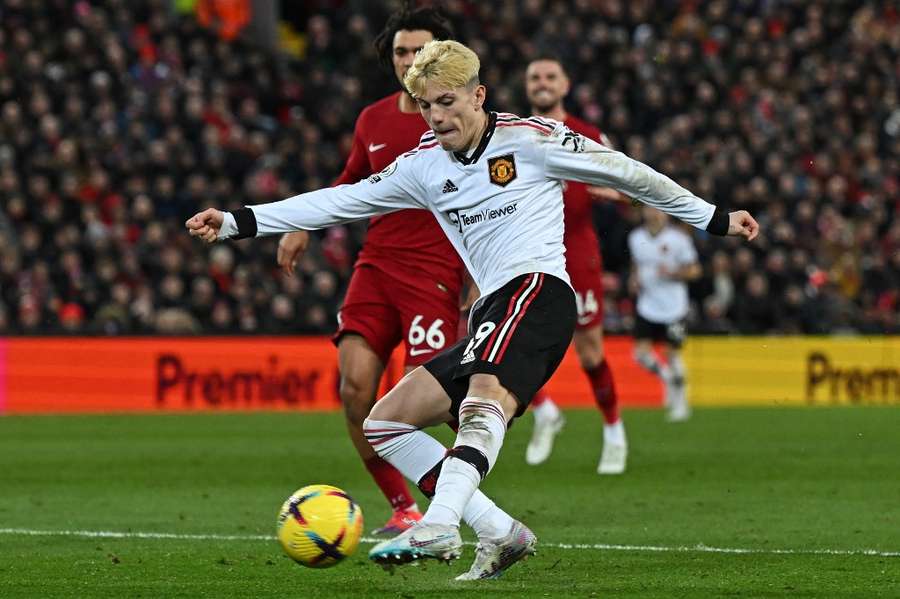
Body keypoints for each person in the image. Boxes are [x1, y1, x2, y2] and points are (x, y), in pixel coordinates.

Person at [186, 40, 759, 580]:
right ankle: (499, 529)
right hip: (493, 307)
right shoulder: (423, 165)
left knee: (482, 401)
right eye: (427, 106)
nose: (436, 117)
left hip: (538, 292)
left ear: (478, 95)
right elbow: (341, 200)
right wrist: (239, 221)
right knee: (384, 422)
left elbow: (628, 173)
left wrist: (712, 218)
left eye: (448, 102)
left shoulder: (535, 140)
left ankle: (438, 524)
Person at [275, 7, 464, 536]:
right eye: (401, 51)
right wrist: (301, 224)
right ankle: (405, 508)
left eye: (419, 51)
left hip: (435, 272)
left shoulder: (461, 119)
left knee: (420, 402)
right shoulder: (373, 120)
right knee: (356, 389)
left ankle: (457, 495)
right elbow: (350, 182)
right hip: (377, 266)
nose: (409, 60)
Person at [522, 56, 628, 474]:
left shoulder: (586, 134)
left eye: (550, 76)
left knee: (589, 352)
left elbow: (621, 181)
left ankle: (614, 430)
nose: (542, 83)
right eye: (535, 78)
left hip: (576, 249)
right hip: (525, 248)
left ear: (565, 85)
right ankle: (546, 410)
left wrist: (611, 191)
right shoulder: (512, 131)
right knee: (505, 344)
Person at [628, 207, 702, 421]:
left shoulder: (679, 239)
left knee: (672, 354)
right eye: (650, 210)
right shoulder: (635, 237)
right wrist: (634, 279)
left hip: (674, 308)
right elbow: (637, 264)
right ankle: (667, 377)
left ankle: (681, 403)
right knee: (640, 354)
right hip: (647, 305)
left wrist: (673, 273)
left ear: (665, 214)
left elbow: (695, 271)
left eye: (658, 210)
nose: (654, 214)